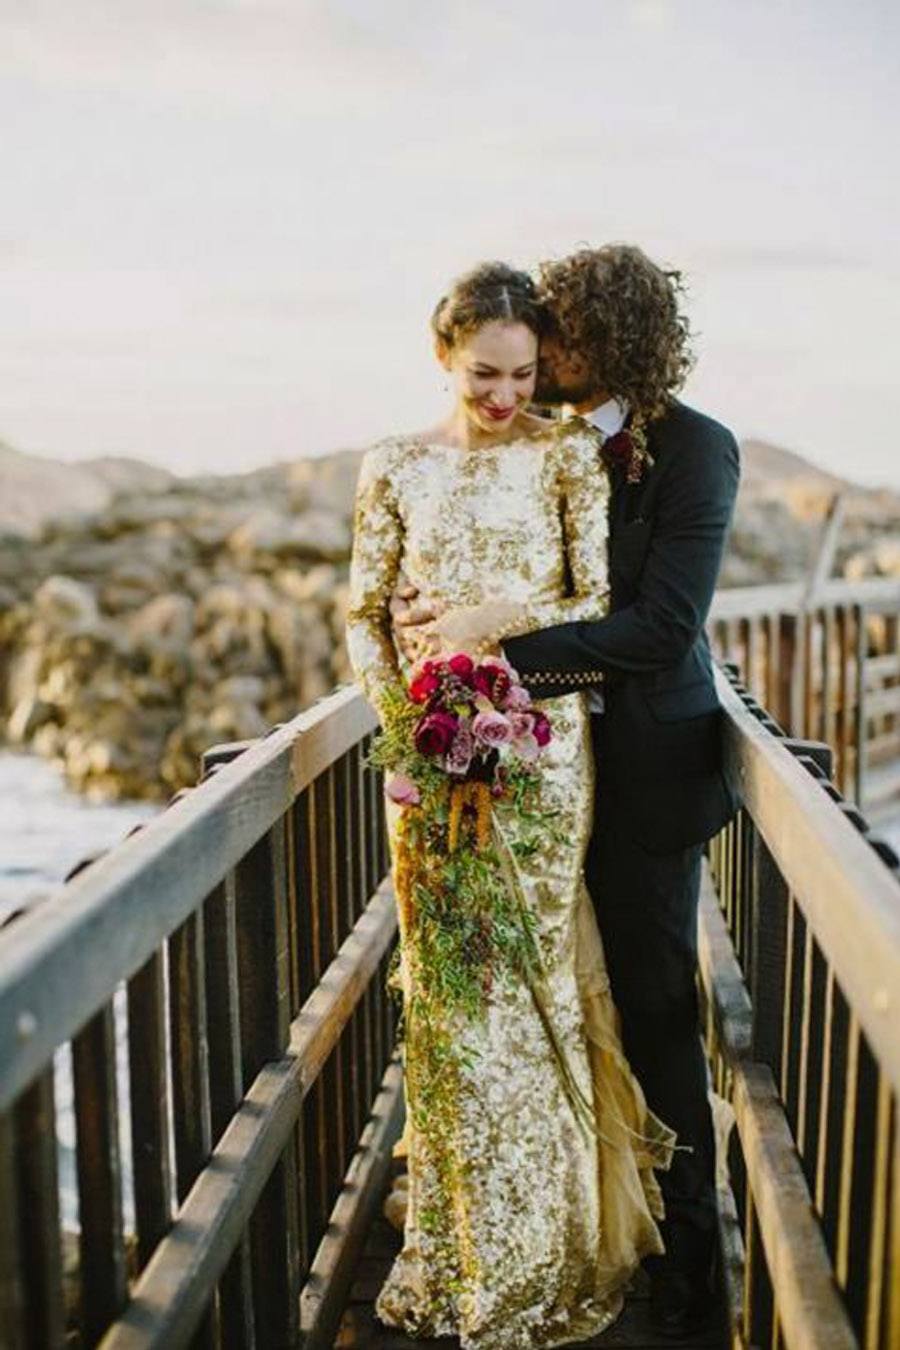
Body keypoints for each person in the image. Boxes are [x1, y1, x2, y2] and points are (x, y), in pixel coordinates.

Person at [400, 244, 741, 1338]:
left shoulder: (697, 452)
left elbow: (661, 630)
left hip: (644, 782)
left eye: (561, 338)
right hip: (532, 783)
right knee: (541, 1007)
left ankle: (688, 1267)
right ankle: (559, 1229)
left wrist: (498, 653)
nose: (539, 356)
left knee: (650, 1011)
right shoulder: (534, 442)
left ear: (611, 344)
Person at [345, 261, 678, 1350]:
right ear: (444, 356)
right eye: (485, 374)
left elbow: (595, 597)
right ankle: (458, 1254)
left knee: (529, 991)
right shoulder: (392, 465)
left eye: (524, 374)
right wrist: (409, 728)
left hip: (543, 757)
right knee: (449, 1001)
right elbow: (361, 614)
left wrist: (500, 613)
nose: (504, 396)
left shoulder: (566, 452)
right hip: (431, 765)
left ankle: (542, 1262)